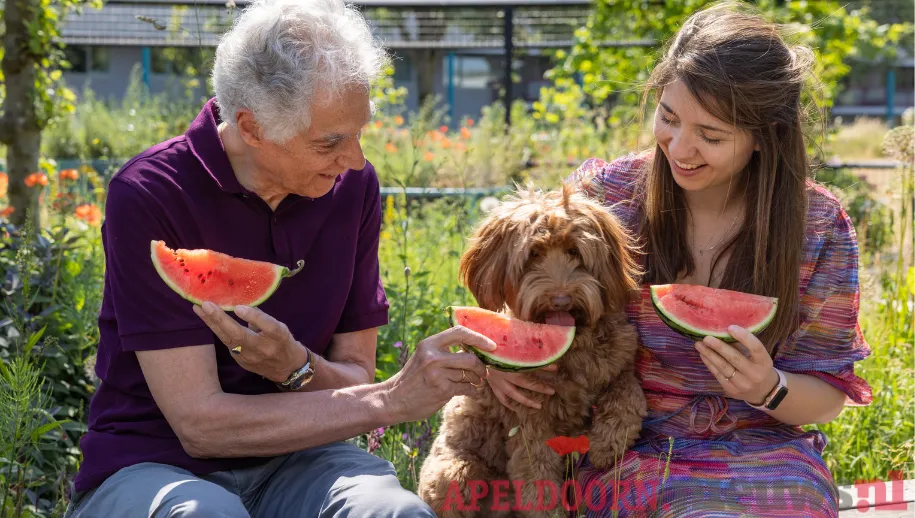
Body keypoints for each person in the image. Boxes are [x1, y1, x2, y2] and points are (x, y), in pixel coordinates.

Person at [63, 0, 496, 516]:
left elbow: (355, 374)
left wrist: (296, 366)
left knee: (394, 512)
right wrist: (393, 400)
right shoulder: (151, 193)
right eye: (330, 142)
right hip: (154, 461)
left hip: (304, 459)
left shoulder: (352, 184)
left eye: (360, 133)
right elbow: (199, 425)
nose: (354, 159)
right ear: (252, 128)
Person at [486, 2, 873, 516]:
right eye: (667, 118)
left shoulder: (818, 227)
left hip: (770, 453)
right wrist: (495, 363)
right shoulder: (610, 195)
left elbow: (827, 393)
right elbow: (515, 279)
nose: (680, 147)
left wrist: (769, 388)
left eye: (710, 135)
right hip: (630, 451)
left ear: (764, 137)